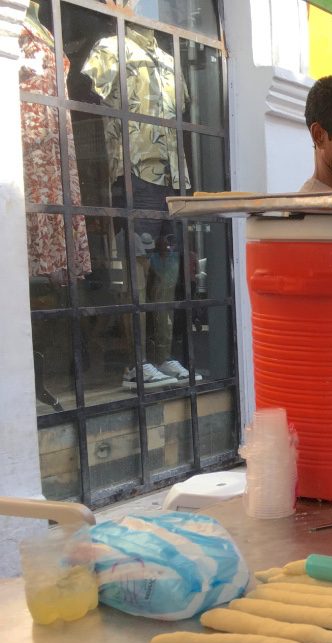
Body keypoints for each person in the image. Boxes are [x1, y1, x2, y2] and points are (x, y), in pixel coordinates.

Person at [83, 23, 198, 389]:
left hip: (174, 176)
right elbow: (94, 87)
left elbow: (180, 104)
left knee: (168, 272)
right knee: (138, 271)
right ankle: (137, 363)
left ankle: (163, 355)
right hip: (136, 173)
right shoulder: (110, 48)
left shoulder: (167, 60)